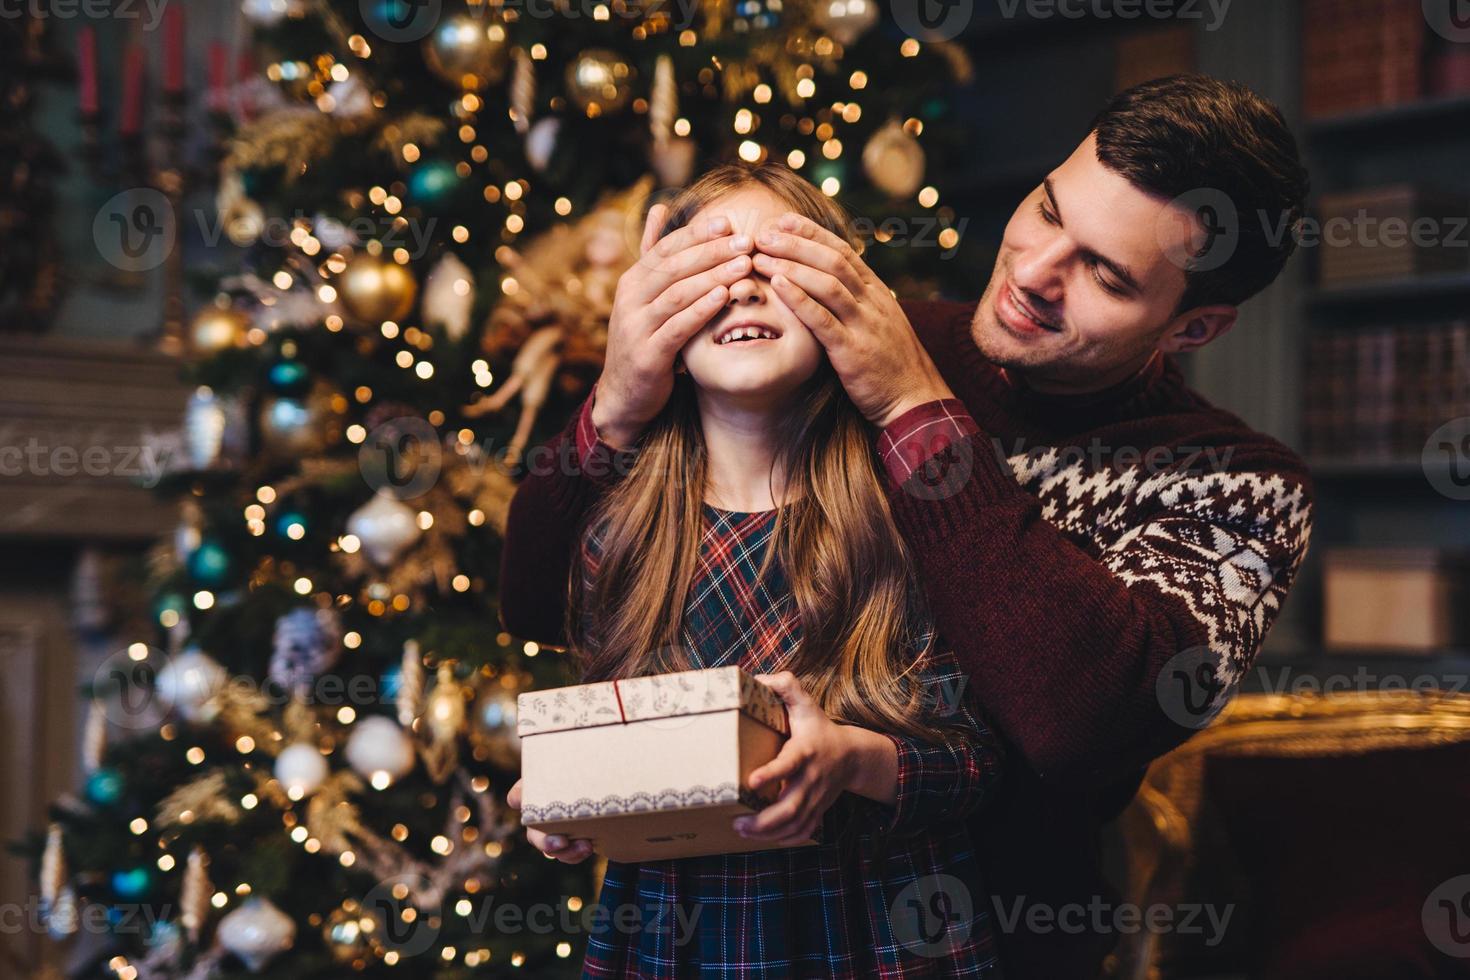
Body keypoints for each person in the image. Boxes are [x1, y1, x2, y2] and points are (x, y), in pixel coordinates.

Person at [500, 74, 1315, 976]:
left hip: (986, 943)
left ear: (1193, 327)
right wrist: (614, 402)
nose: (1035, 274)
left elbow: (1077, 727)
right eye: (1047, 210)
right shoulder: (841, 340)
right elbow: (541, 598)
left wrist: (912, 405)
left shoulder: (1241, 488)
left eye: (1106, 274)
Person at [508, 163, 1005, 977]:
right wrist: (569, 802)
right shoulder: (617, 533)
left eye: (775, 266)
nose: (741, 290)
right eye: (707, 270)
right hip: (676, 938)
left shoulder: (912, 512)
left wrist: (850, 757)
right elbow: (613, 742)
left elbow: (982, 763)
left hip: (879, 930)